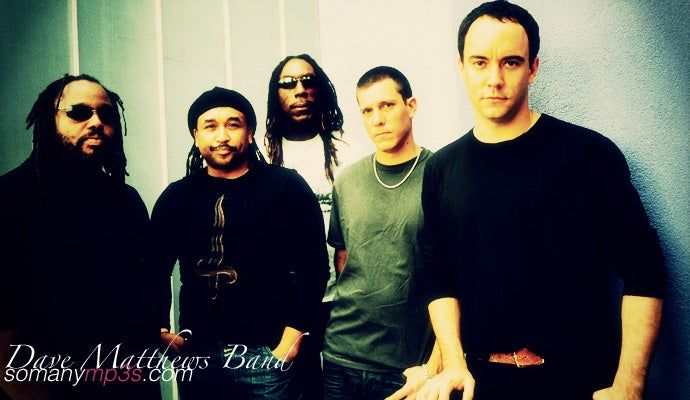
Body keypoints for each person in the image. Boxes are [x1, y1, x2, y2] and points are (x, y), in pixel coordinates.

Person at [412, 2, 667, 400]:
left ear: (532, 68)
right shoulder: (441, 168)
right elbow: (437, 274)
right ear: (461, 67)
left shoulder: (588, 155)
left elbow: (644, 268)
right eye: (480, 62)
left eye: (511, 62)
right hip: (480, 384)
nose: (494, 79)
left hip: (577, 383)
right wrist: (453, 363)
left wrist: (629, 387)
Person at [152, 87, 329, 399]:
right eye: (210, 126)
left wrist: (291, 340)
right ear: (196, 136)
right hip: (199, 355)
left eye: (233, 125)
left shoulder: (286, 187)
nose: (222, 136)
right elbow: (154, 268)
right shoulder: (177, 197)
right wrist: (159, 330)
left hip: (268, 354)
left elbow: (312, 268)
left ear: (249, 133)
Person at [0, 74, 160, 400]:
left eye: (107, 115)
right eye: (79, 112)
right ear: (48, 121)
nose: (97, 122)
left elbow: (144, 296)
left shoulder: (126, 200)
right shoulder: (10, 198)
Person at [322, 66, 434, 399]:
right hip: (341, 356)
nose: (377, 119)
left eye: (386, 105)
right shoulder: (347, 181)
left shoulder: (440, 175)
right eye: (367, 111)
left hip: (406, 366)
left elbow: (459, 277)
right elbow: (344, 259)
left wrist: (433, 365)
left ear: (411, 106)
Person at [265, 54, 347, 399]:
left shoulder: (348, 150)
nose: (300, 90)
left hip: (340, 298)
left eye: (308, 81)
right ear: (275, 94)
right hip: (285, 302)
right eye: (288, 83)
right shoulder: (262, 154)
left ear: (321, 88)